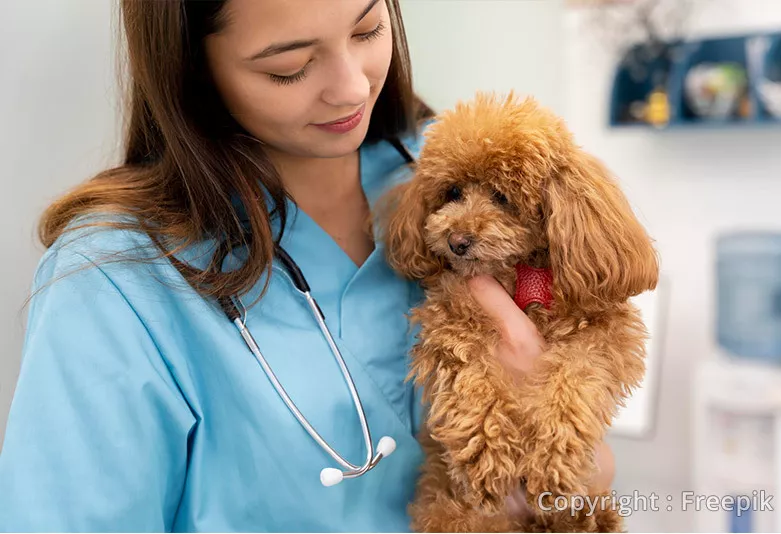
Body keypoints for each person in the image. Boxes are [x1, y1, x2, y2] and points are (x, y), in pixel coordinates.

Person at [0, 0, 615, 531]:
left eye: (369, 29)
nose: (350, 88)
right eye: (289, 66)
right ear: (192, 64)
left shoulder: (451, 174)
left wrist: (571, 462)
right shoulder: (112, 280)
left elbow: (591, 461)